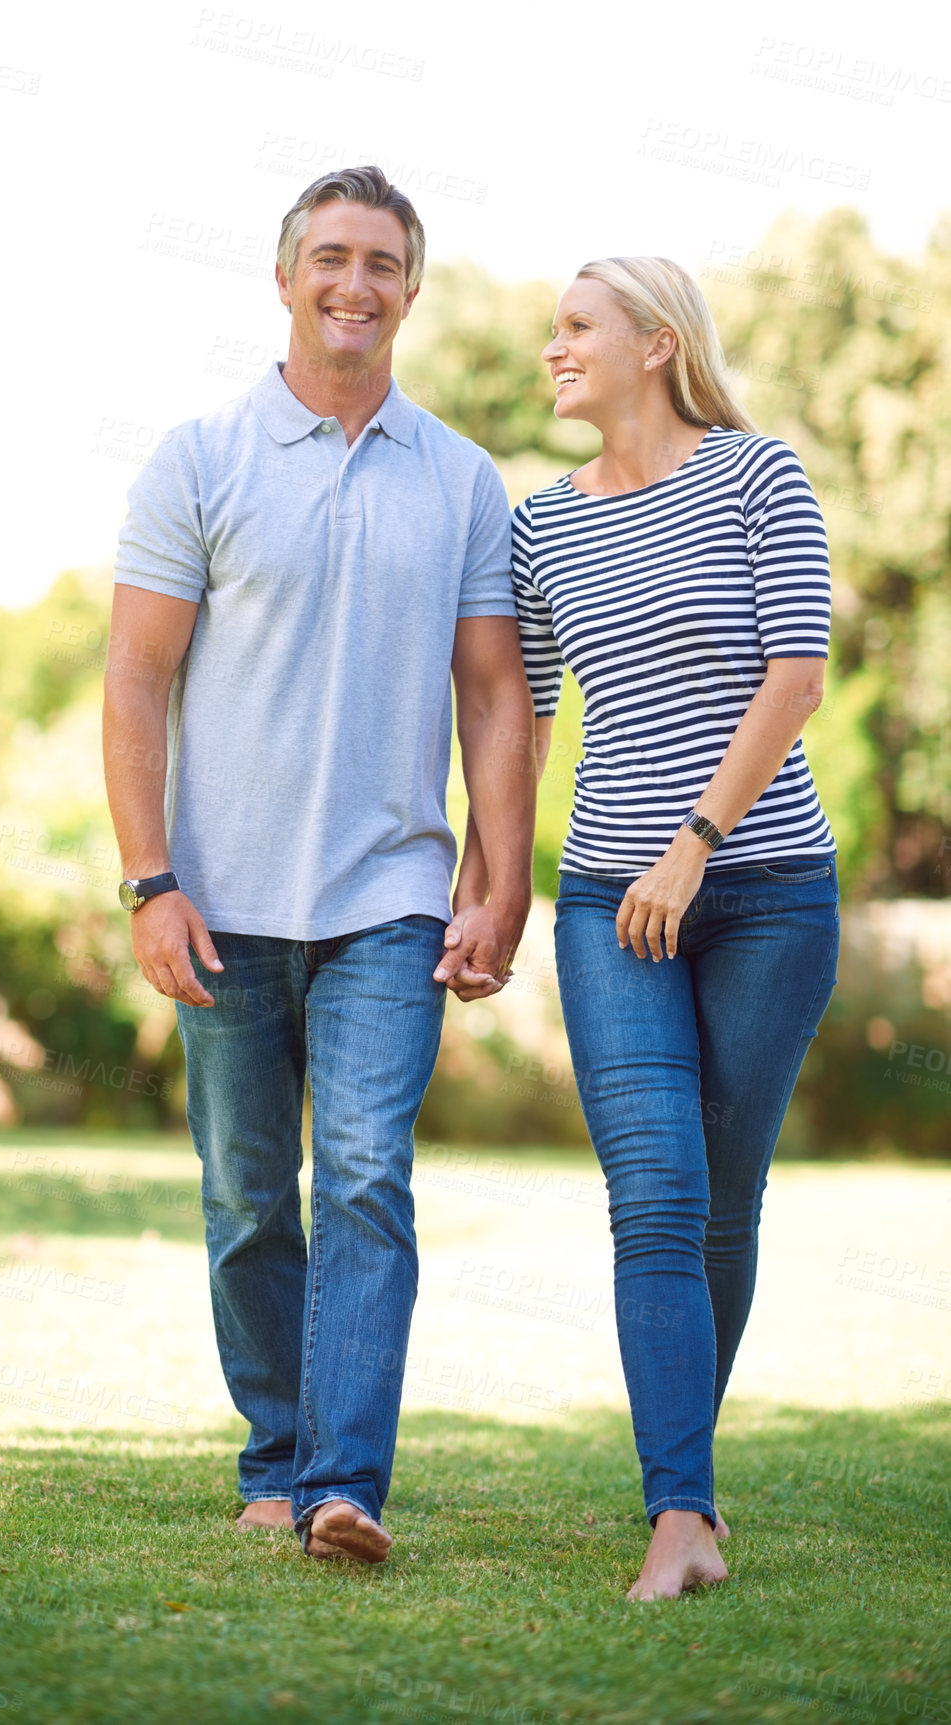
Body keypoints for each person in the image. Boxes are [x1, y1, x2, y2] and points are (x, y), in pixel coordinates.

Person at [102, 166, 536, 1564]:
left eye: (385, 263)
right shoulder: (200, 458)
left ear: (413, 289)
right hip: (220, 906)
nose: (358, 284)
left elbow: (493, 697)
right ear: (285, 276)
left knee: (361, 1174)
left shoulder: (465, 479)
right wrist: (149, 879)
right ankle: (275, 1456)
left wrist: (496, 877)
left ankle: (344, 1482)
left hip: (390, 901)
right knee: (243, 1194)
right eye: (333, 258)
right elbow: (135, 679)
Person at [500, 255, 839, 1599]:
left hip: (764, 892)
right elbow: (522, 715)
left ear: (653, 342)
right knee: (654, 1187)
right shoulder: (540, 527)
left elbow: (797, 673)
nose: (552, 348)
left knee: (722, 1198)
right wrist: (496, 882)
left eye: (576, 327)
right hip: (605, 900)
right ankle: (681, 1513)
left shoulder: (761, 475)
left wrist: (693, 850)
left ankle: (685, 1499)